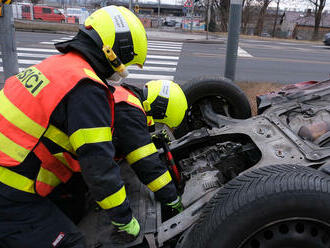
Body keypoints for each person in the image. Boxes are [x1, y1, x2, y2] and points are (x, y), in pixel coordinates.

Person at [0, 5, 181, 248]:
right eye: (126, 60)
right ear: (113, 51)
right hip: (10, 188)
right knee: (72, 243)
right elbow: (98, 166)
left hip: (10, 174)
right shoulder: (86, 88)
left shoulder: (59, 66)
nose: (122, 69)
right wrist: (125, 220)